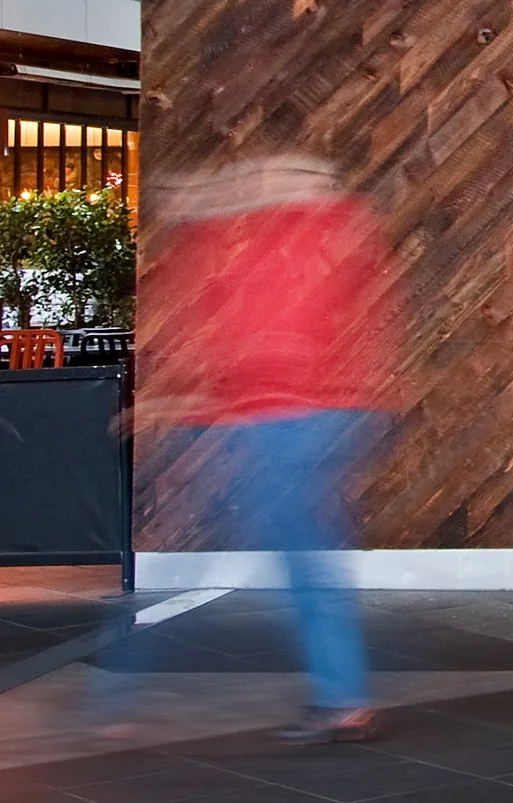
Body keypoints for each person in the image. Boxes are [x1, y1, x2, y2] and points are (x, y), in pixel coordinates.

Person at [131, 152, 401, 744]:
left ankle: (343, 697)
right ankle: (342, 695)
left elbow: (258, 347)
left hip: (300, 415)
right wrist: (180, 406)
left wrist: (183, 406)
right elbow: (243, 348)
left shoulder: (289, 233)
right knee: (302, 548)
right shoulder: (295, 235)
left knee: (300, 550)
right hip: (321, 411)